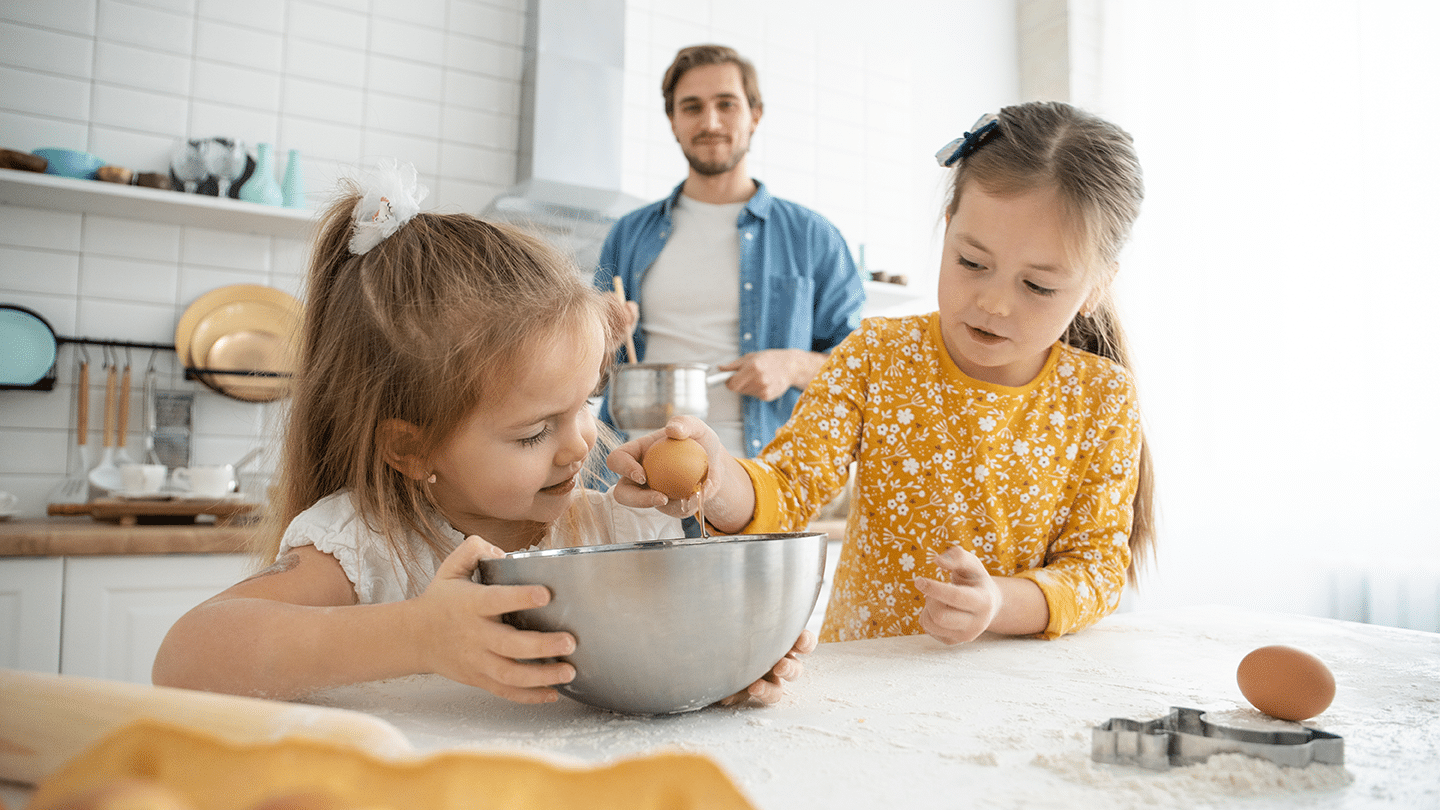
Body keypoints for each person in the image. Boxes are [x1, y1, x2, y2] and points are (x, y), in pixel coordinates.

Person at [152, 161, 812, 703]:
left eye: (585, 404)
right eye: (533, 432)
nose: (583, 443)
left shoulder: (609, 533)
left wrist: (727, 665)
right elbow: (186, 656)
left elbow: (667, 659)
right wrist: (417, 634)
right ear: (410, 447)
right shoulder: (371, 546)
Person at [609, 101, 1156, 646]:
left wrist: (997, 604)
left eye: (1037, 286)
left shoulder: (1101, 397)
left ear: (1097, 286)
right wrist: (716, 475)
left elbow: (1095, 571)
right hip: (870, 676)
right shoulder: (878, 354)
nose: (994, 304)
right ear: (948, 229)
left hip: (1012, 688)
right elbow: (791, 486)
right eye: (971, 262)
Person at [595, 44, 865, 458]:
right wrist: (600, 335)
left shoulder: (813, 236)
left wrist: (793, 366)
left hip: (762, 475)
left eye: (726, 104)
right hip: (637, 468)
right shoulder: (629, 234)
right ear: (672, 121)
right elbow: (589, 371)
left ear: (755, 115)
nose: (711, 121)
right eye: (691, 107)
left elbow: (860, 363)